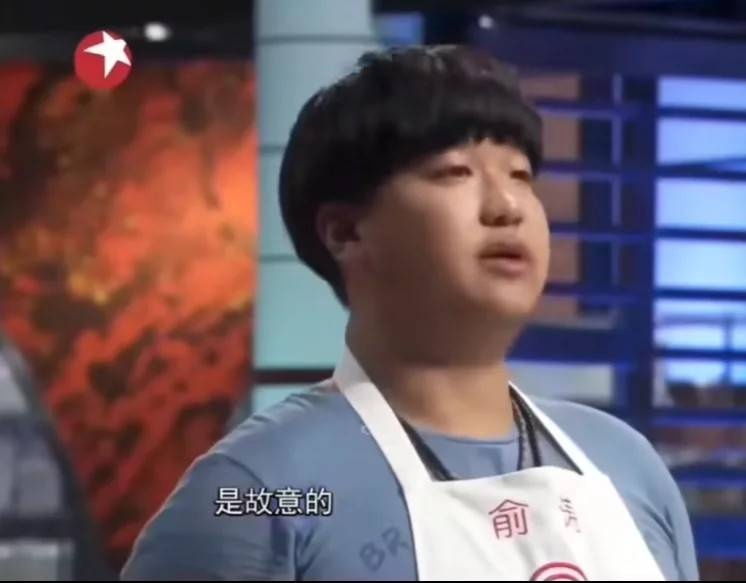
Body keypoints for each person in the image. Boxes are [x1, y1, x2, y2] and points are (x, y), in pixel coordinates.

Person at [121, 45, 699, 581]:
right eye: (455, 172)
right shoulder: (262, 491)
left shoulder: (624, 463)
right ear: (346, 232)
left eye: (521, 176)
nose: (507, 206)